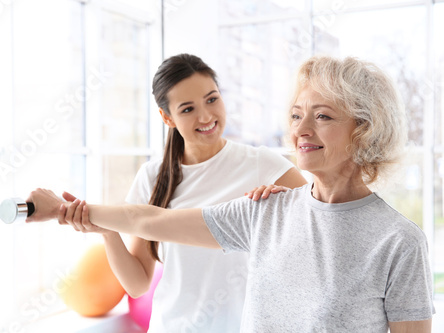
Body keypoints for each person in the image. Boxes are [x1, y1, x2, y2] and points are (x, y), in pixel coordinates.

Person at [28, 55, 435, 332]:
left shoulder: (399, 241)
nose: (300, 130)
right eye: (295, 116)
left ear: (365, 130)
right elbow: (147, 221)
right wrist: (70, 211)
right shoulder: (262, 211)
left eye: (323, 116)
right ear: (167, 117)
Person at [29, 53, 306, 332]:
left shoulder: (263, 165)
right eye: (187, 109)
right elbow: (138, 285)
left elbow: (320, 222)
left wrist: (285, 207)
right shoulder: (152, 177)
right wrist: (107, 231)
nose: (206, 116)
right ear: (167, 117)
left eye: (212, 99)